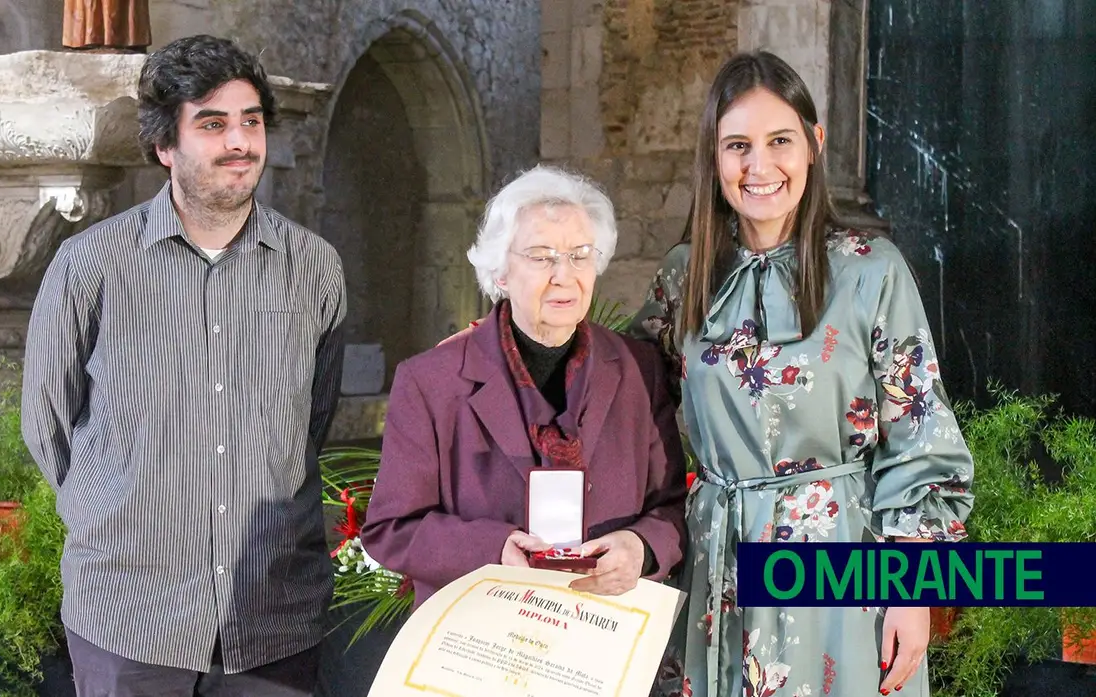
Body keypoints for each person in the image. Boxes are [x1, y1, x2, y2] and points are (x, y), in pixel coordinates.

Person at [632, 52, 974, 697]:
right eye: (738, 145)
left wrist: (914, 596)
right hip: (716, 571)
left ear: (813, 145)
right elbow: (622, 402)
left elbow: (922, 444)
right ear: (713, 157)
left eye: (779, 141)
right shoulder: (684, 276)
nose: (759, 167)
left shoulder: (871, 270)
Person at [21, 35, 346, 697]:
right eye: (212, 123)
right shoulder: (90, 267)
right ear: (164, 145)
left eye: (250, 121)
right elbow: (47, 425)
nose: (240, 142)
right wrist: (118, 518)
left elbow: (310, 423)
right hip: (129, 622)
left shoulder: (314, 267)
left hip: (273, 623)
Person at [360, 165, 688, 606]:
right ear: (500, 272)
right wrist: (492, 550)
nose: (564, 274)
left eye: (579, 254)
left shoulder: (638, 368)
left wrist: (643, 546)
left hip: (601, 638)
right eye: (540, 256)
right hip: (481, 640)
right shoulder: (431, 382)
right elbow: (390, 530)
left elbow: (673, 506)